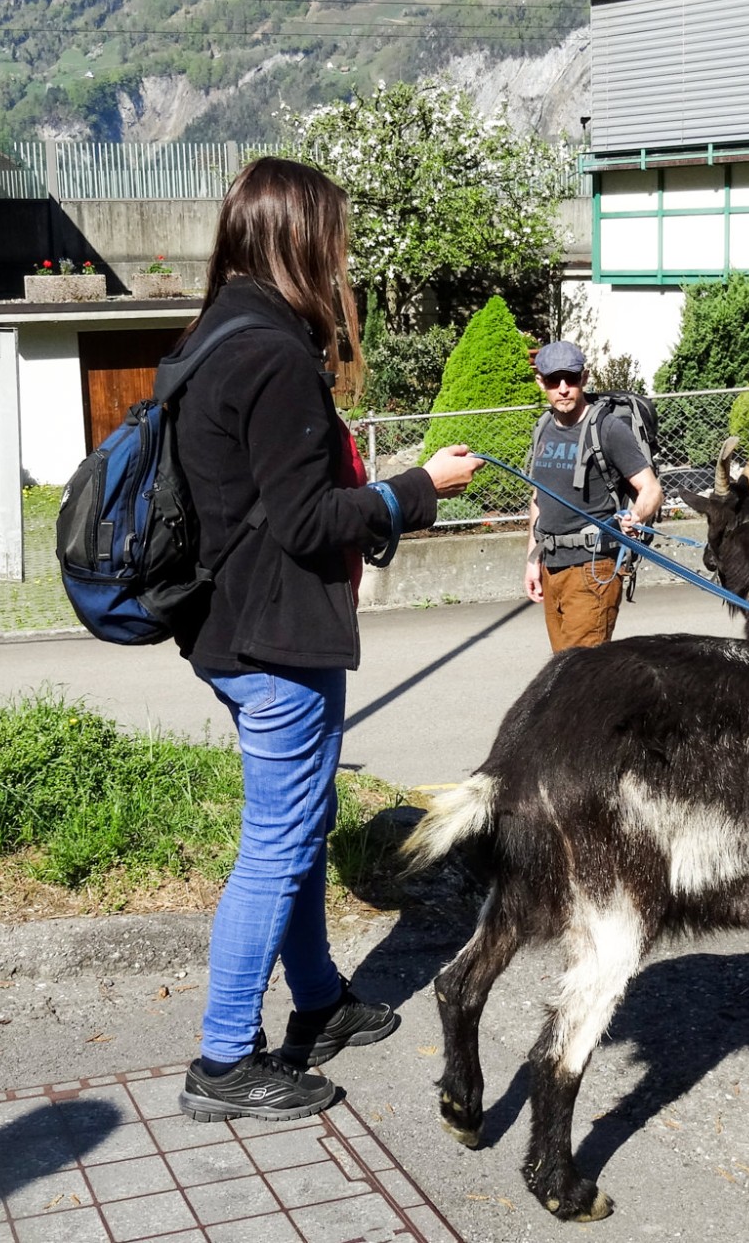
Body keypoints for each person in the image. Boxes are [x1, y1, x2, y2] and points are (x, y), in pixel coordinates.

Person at [167, 157, 483, 1121]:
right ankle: (225, 1060)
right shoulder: (271, 354)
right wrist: (417, 489)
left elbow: (271, 503)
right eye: (334, 236)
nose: (342, 255)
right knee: (277, 842)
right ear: (302, 239)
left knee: (298, 827)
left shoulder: (216, 334)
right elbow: (307, 522)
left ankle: (319, 1002)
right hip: (276, 640)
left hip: (232, 628)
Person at [522, 341, 664, 651]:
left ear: (584, 378)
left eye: (570, 379)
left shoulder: (608, 429)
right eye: (553, 380)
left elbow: (651, 489)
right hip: (551, 566)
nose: (562, 389)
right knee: (565, 675)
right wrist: (533, 560)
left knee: (579, 677)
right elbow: (538, 499)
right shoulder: (543, 427)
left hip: (592, 569)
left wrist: (637, 516)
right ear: (540, 382)